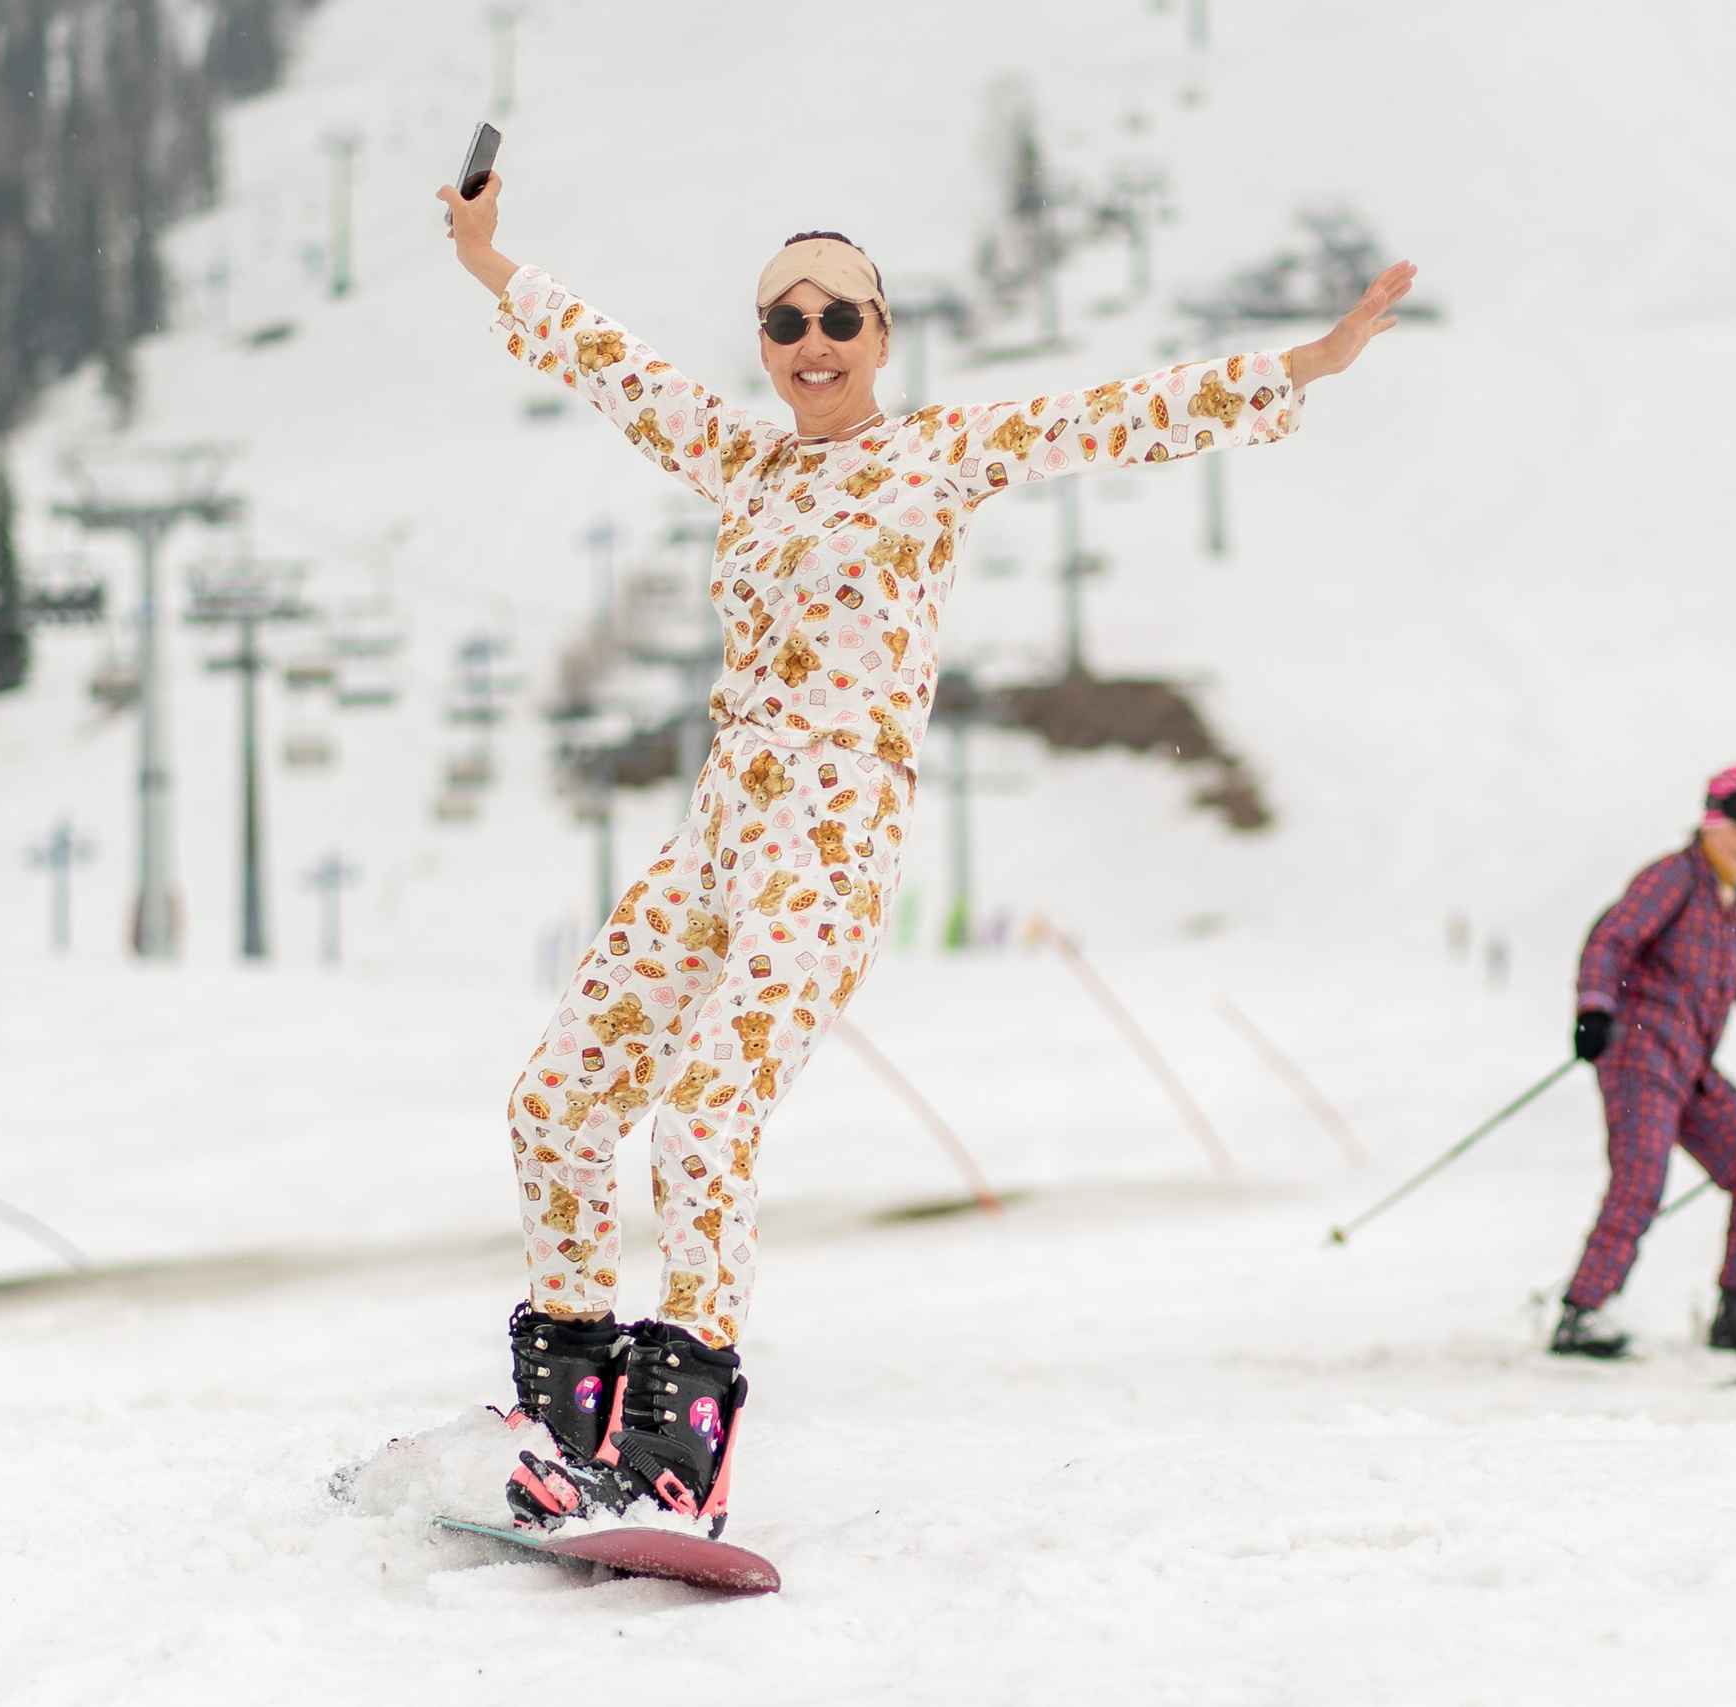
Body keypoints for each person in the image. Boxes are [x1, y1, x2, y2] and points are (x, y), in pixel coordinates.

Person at [438, 171, 1416, 1531]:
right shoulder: (743, 458)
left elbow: (1109, 417)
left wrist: (1300, 365)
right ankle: (566, 1417)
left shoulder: (935, 452)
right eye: (784, 320)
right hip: (722, 826)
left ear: (883, 335)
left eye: (841, 313)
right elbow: (617, 367)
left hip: (831, 831)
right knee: (556, 1104)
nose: (812, 339)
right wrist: (493, 263)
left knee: (706, 1112)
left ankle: (681, 1448)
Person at [1549, 765, 1736, 1360]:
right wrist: (1594, 1008)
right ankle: (1582, 1314)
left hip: (1689, 1065)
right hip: (1637, 1051)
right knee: (1641, 1175)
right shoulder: (1674, 877)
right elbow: (1611, 938)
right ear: (1711, 821)